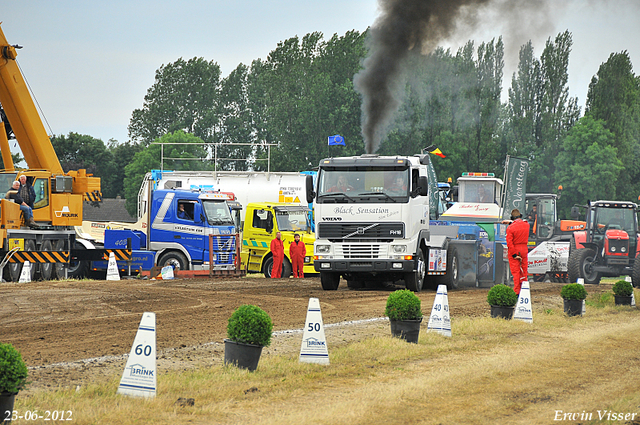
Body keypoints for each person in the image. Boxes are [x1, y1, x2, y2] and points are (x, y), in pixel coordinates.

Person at [506, 208, 529, 295]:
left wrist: (514, 254)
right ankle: (524, 290)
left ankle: (517, 292)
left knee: (516, 272)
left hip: (516, 249)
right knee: (524, 270)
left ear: (512, 218)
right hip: (524, 249)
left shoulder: (510, 228)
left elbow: (509, 243)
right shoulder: (526, 225)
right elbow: (520, 223)